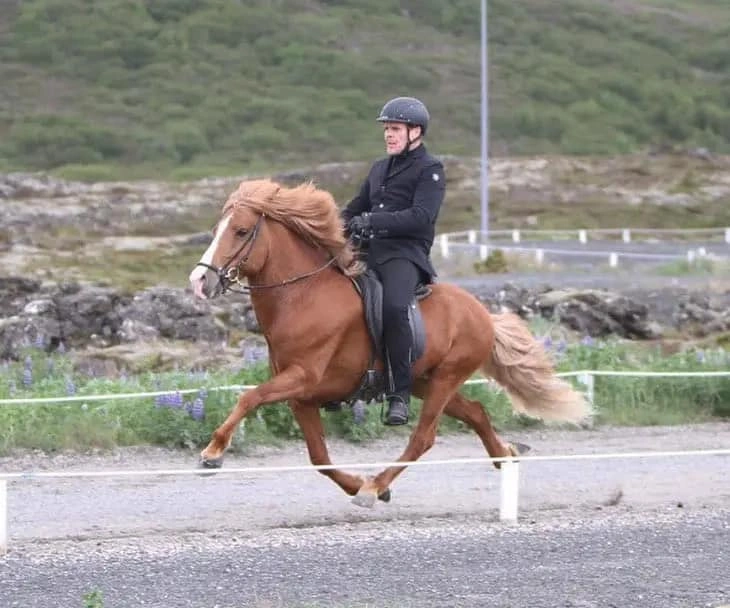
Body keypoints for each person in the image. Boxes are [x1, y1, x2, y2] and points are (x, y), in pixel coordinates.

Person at [341, 96, 446, 426]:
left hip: (404, 254)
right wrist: (330, 227)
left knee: (394, 307)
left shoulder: (430, 169)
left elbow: (421, 216)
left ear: (416, 132)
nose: (388, 134)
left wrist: (373, 221)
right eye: (386, 129)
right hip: (368, 251)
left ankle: (399, 394)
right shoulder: (378, 168)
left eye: (395, 129)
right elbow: (355, 208)